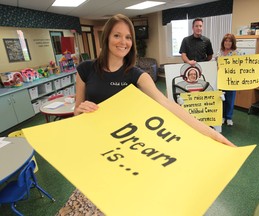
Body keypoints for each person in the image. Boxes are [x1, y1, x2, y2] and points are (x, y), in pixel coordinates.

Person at [74, 14, 235, 147]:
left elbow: (167, 104)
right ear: (107, 37)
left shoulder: (136, 75)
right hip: (95, 142)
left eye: (128, 37)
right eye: (117, 35)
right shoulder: (85, 69)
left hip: (124, 144)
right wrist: (80, 111)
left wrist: (215, 136)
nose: (123, 42)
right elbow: (76, 113)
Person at [217, 33, 242, 126]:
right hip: (221, 80)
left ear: (233, 43)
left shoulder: (237, 52)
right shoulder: (220, 53)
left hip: (231, 81)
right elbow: (215, 63)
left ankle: (229, 117)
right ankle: (222, 116)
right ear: (223, 42)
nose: (227, 43)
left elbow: (245, 62)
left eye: (230, 41)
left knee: (230, 99)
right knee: (221, 99)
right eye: (226, 41)